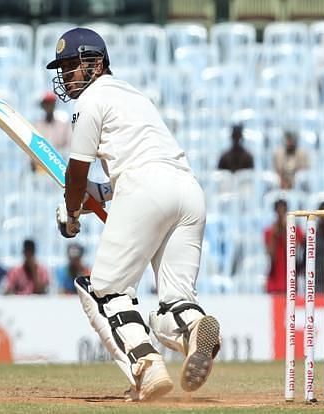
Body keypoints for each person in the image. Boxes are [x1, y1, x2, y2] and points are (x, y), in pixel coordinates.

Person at [49, 28, 220, 401]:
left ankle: (146, 367)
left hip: (144, 189)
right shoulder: (135, 96)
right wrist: (94, 193)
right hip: (187, 191)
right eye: (61, 68)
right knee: (174, 300)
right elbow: (123, 171)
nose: (65, 75)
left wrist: (72, 212)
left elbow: (76, 173)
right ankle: (194, 327)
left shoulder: (90, 101)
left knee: (104, 292)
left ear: (94, 62)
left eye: (70, 66)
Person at [264, 199, 304, 294]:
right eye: (279, 212)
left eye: (283, 211)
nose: (281, 215)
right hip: (274, 283)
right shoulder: (269, 232)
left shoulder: (295, 231)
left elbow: (294, 251)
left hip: (291, 282)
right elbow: (271, 256)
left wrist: (286, 231)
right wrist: (275, 235)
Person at [33, 91, 72, 156]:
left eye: (51, 103)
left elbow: (69, 145)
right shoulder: (38, 125)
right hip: (42, 160)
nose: (49, 106)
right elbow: (34, 147)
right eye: (47, 103)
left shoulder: (63, 122)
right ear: (42, 105)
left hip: (60, 161)